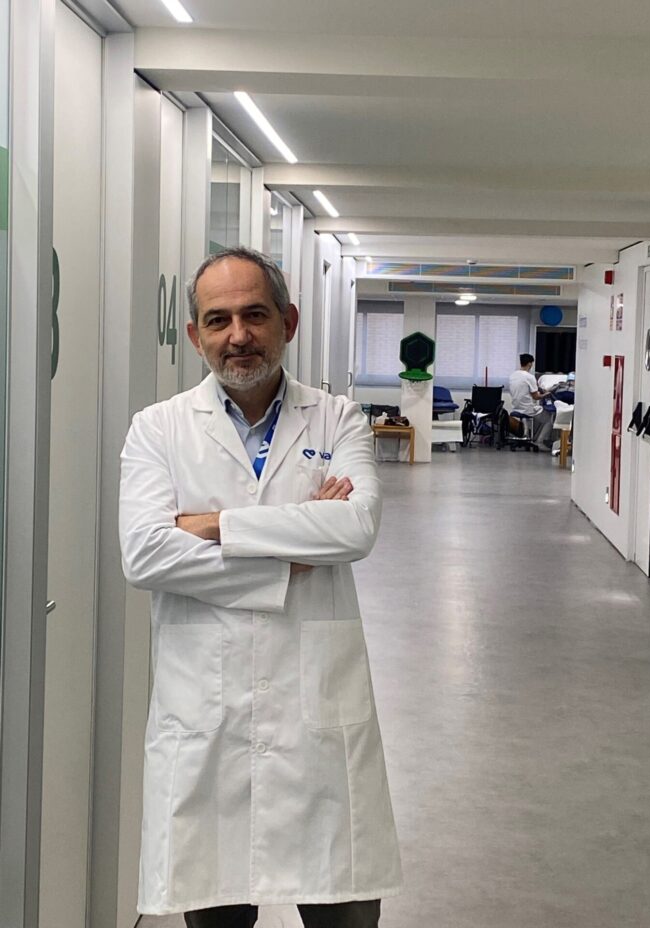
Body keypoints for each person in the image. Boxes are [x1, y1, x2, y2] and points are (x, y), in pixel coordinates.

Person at [119, 246, 401, 928]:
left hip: (316, 714)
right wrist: (286, 556)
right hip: (205, 716)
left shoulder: (338, 419)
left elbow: (354, 528)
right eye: (218, 320)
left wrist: (214, 525)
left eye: (255, 315)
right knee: (215, 914)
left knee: (344, 914)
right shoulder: (158, 429)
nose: (238, 335)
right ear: (196, 335)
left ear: (288, 322)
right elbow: (146, 555)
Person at [508, 353, 555, 450]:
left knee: (540, 416)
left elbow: (523, 389)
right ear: (530, 363)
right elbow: (536, 397)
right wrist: (546, 394)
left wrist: (537, 391)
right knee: (550, 419)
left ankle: (532, 437)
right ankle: (539, 442)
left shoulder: (513, 375)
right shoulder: (529, 377)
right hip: (528, 409)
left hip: (516, 407)